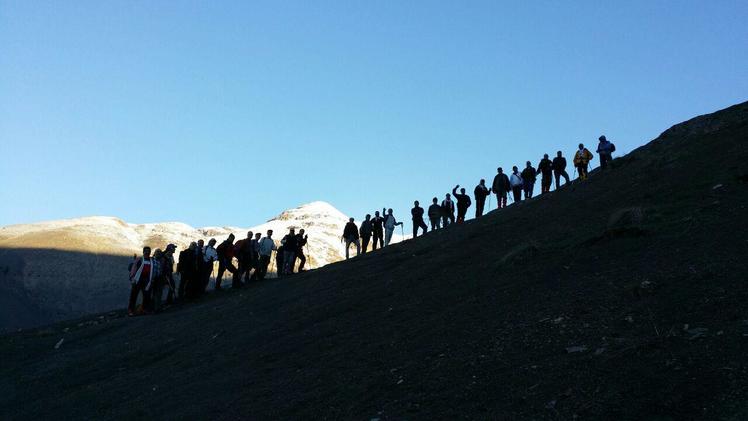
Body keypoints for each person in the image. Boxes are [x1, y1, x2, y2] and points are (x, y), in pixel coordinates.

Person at [128, 246, 154, 316]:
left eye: (148, 251)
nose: (147, 252)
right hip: (137, 279)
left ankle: (144, 309)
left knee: (146, 295)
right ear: (143, 252)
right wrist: (131, 277)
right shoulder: (139, 259)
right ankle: (131, 310)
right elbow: (134, 267)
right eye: (146, 251)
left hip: (146, 280)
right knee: (134, 295)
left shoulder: (152, 260)